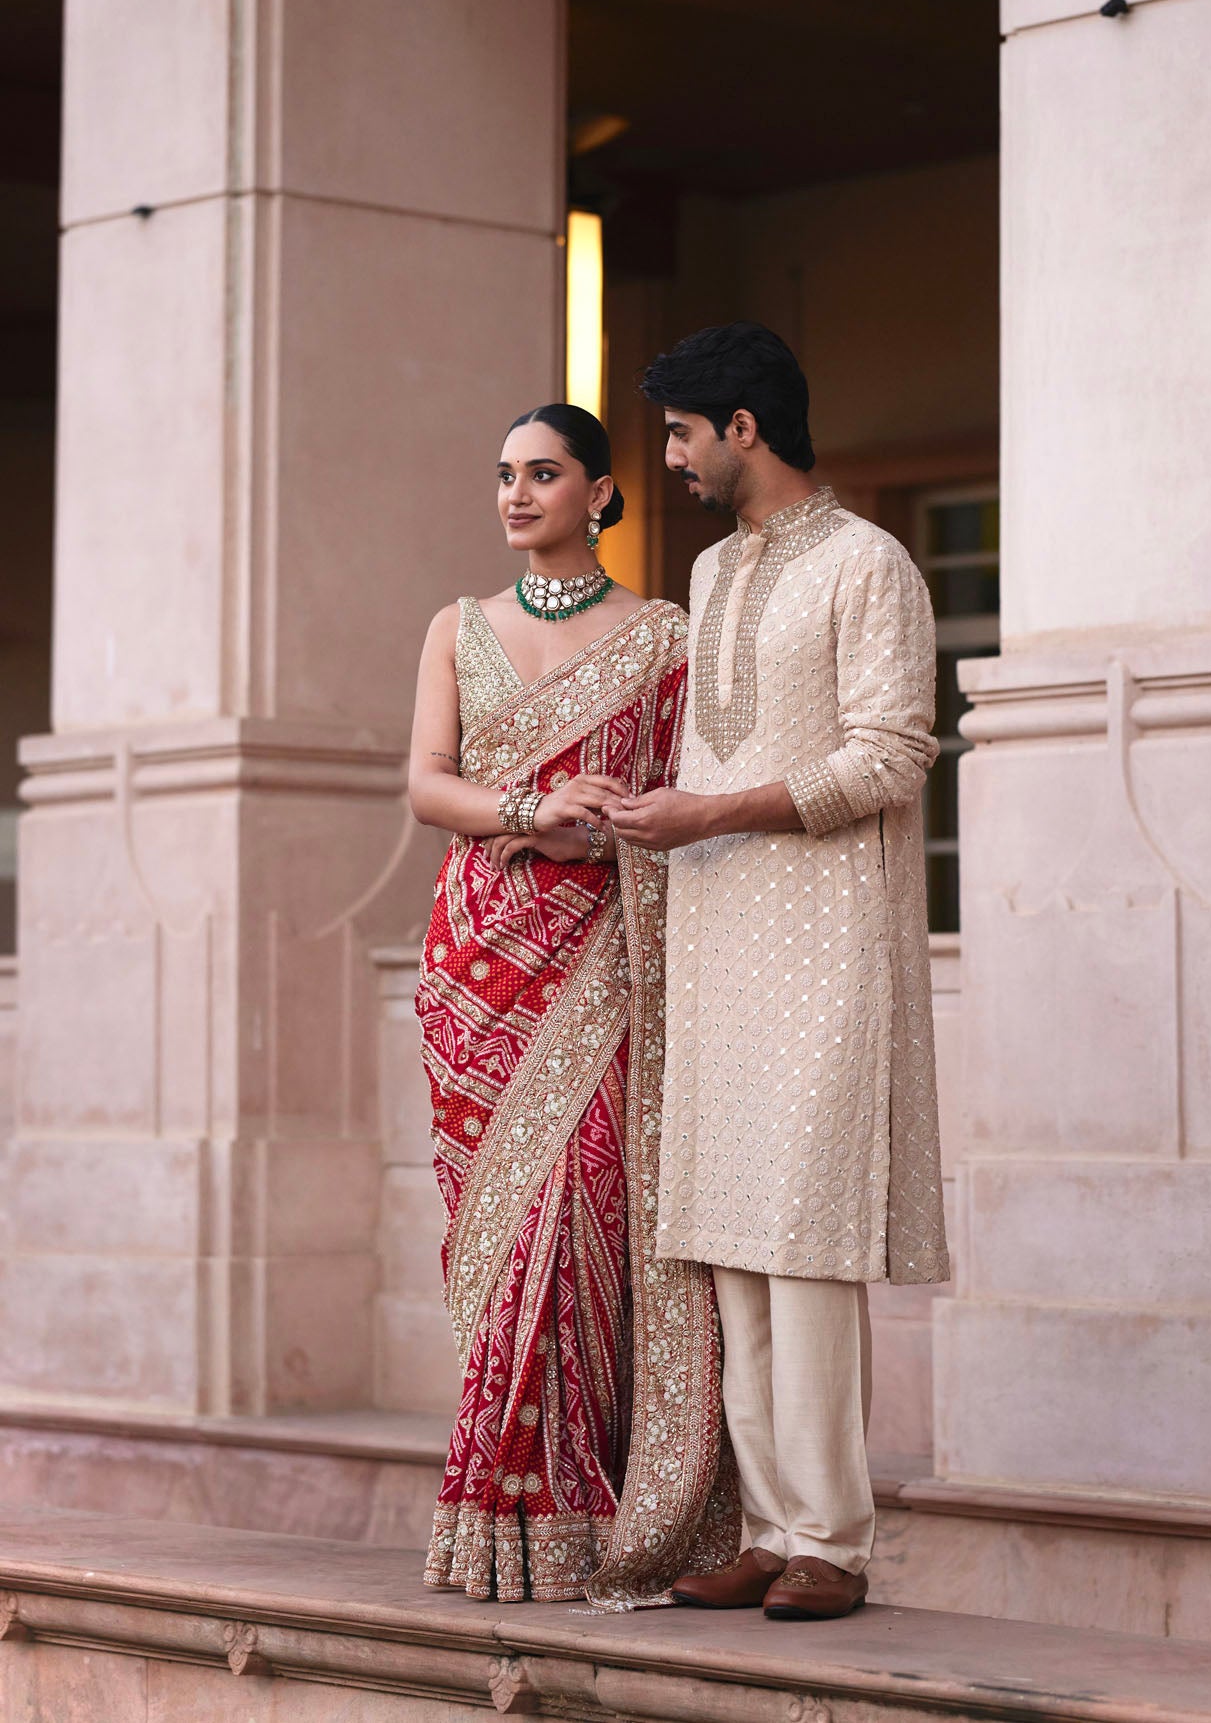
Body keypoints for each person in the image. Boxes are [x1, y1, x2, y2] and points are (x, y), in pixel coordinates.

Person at [607, 326, 946, 1622]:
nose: (677, 459)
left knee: (805, 1244)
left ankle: (834, 1541)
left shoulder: (870, 565)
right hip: (720, 938)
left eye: (686, 434)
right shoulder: (708, 573)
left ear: (744, 425)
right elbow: (707, 763)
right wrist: (651, 809)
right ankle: (763, 1521)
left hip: (825, 941)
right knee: (732, 1242)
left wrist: (712, 813)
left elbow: (889, 758)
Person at [407, 403, 737, 1608]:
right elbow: (425, 784)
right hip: (474, 960)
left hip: (604, 952)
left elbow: (693, 789)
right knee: (496, 1236)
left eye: (541, 474)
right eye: (503, 474)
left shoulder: (663, 637)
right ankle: (499, 1511)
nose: (514, 494)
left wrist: (613, 825)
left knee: (586, 1205)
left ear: (600, 493)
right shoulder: (457, 627)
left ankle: (586, 1499)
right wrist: (524, 812)